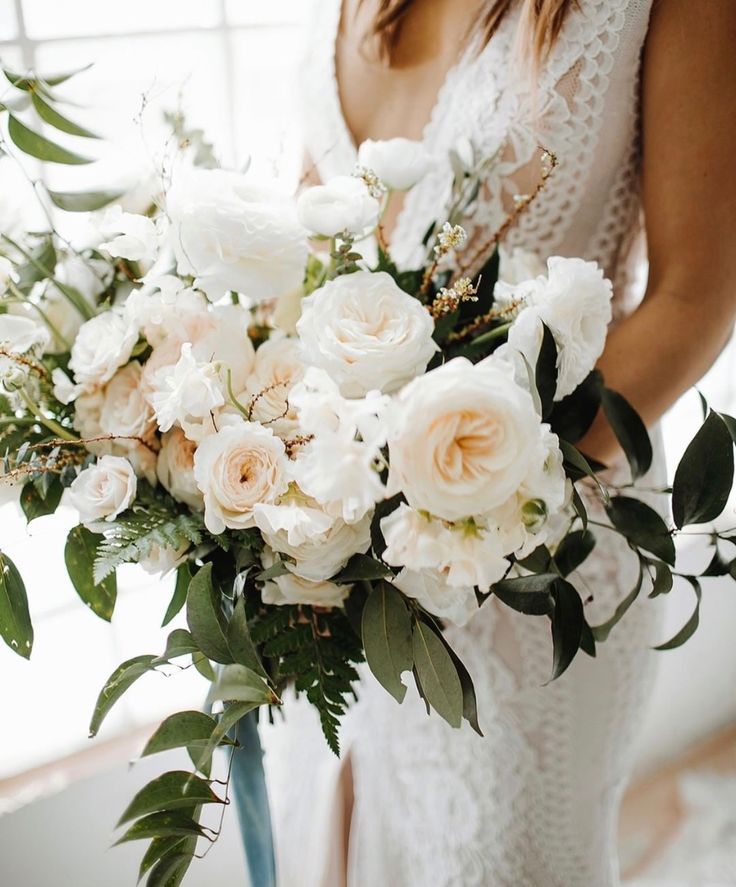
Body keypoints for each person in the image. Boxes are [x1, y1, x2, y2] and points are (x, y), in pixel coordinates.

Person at [260, 1, 736, 884]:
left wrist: (463, 511)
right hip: (340, 546)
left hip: (542, 545)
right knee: (339, 819)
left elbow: (695, 296)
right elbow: (311, 247)